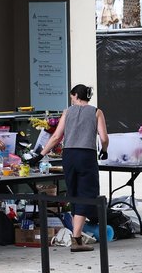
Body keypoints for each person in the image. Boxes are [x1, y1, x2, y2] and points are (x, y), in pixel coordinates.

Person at [34, 84, 109, 252]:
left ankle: (77, 234)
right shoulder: (97, 112)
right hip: (87, 155)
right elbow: (103, 137)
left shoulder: (67, 112)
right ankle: (76, 239)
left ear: (75, 95)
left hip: (68, 155)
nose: (71, 100)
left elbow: (55, 137)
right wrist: (104, 151)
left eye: (72, 97)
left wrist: (40, 154)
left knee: (73, 192)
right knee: (86, 192)